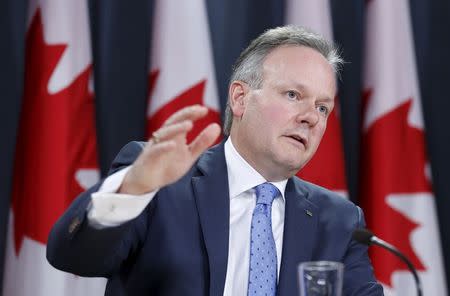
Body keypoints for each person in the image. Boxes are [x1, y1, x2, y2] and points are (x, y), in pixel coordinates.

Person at [47, 25, 383, 296]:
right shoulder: (157, 184)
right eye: (293, 95)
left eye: (323, 107)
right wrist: (134, 188)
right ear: (240, 98)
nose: (311, 117)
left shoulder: (339, 222)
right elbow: (72, 256)